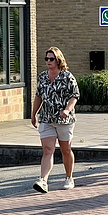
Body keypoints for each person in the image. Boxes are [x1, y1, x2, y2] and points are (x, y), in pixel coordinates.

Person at [31, 47, 80, 193]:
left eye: (51, 59)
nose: (48, 62)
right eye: (46, 59)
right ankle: (43, 181)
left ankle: (69, 177)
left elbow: (74, 96)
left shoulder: (67, 76)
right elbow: (39, 96)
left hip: (64, 120)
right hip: (46, 118)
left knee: (66, 150)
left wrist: (67, 110)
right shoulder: (42, 77)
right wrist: (34, 114)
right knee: (48, 150)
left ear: (58, 60)